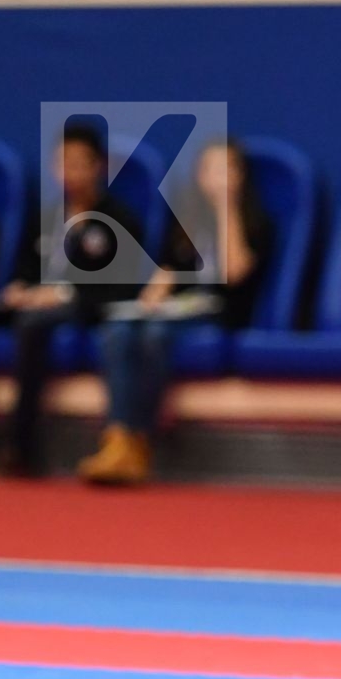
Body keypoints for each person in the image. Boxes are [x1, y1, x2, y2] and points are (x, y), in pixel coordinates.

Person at [0, 125, 144, 482]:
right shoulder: (45, 218)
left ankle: (19, 446)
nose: (71, 172)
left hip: (80, 309)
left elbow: (120, 290)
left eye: (80, 163)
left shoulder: (119, 220)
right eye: (64, 162)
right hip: (33, 302)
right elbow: (25, 268)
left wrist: (62, 294)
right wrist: (19, 288)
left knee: (32, 323)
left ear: (98, 167)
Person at [78, 139, 272, 485]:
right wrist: (150, 297)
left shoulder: (257, 221)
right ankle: (117, 437)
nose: (218, 178)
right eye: (210, 169)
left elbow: (234, 273)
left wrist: (226, 208)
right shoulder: (186, 219)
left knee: (155, 335)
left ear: (241, 176)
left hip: (220, 311)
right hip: (175, 309)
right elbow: (167, 268)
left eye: (226, 169)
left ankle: (141, 441)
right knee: (119, 329)